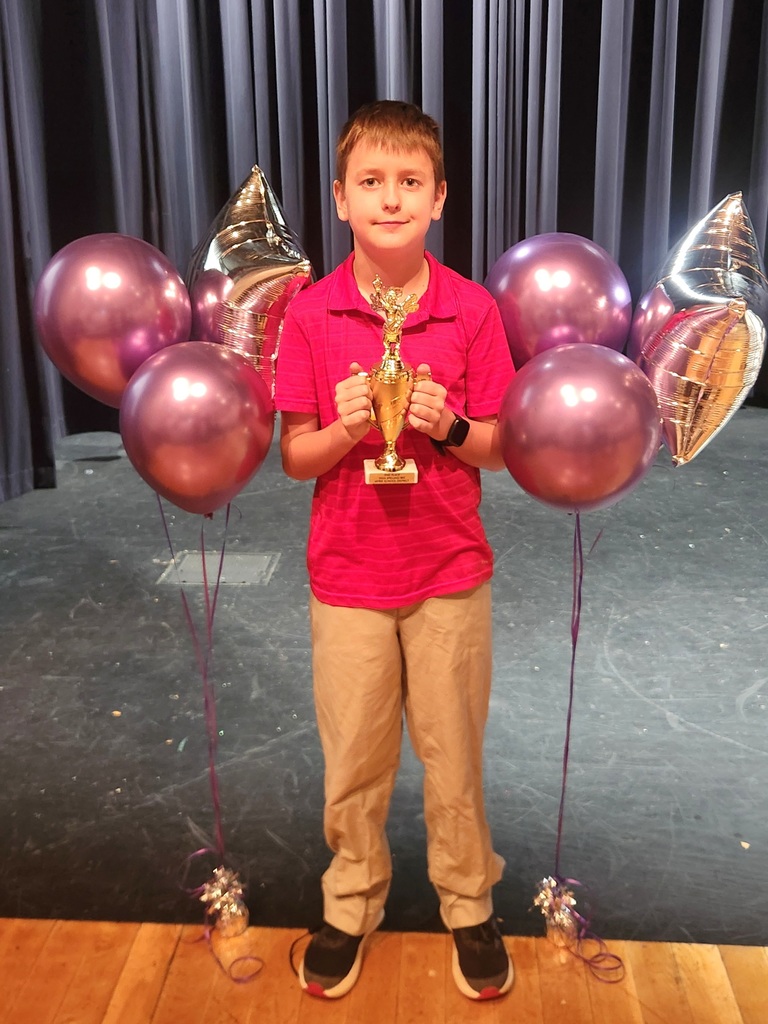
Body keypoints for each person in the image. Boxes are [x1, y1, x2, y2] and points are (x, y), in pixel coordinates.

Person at [274, 99, 516, 1001]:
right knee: (354, 765)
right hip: (348, 579)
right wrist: (346, 428)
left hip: (449, 574)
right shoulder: (310, 314)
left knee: (454, 762)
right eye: (370, 182)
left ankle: (469, 904)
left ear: (439, 198)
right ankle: (349, 904)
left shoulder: (472, 311)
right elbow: (295, 457)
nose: (390, 198)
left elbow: (499, 447)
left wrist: (447, 424)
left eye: (409, 182)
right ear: (340, 199)